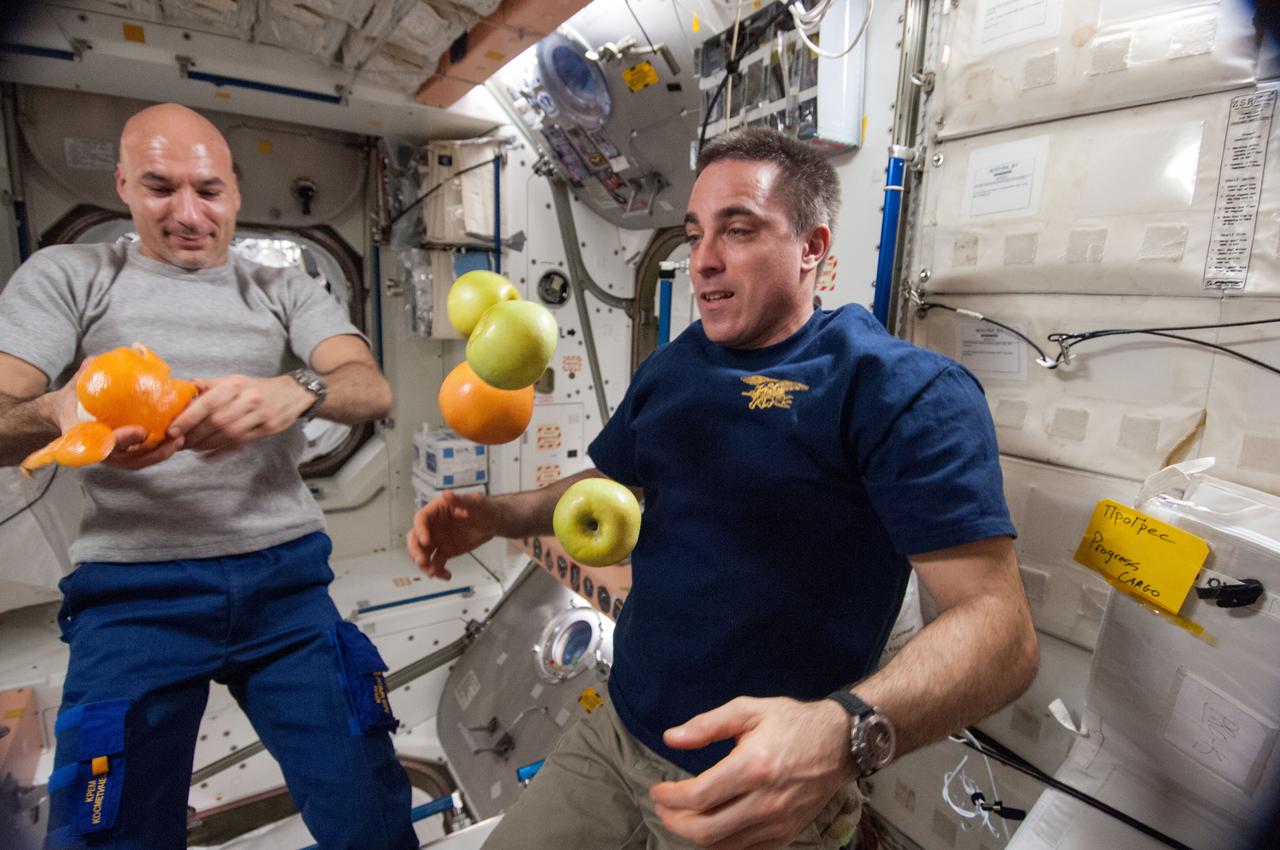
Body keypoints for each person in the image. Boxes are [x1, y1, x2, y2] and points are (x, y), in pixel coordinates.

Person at [408, 127, 1039, 850]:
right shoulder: (678, 368)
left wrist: (842, 734)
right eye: (694, 233)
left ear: (812, 247)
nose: (703, 260)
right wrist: (496, 515)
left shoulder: (897, 389)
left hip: (752, 787)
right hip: (616, 733)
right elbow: (612, 486)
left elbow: (1000, 631)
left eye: (738, 230)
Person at [0, 104, 416, 850]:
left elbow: (369, 387)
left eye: (209, 191)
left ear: (235, 193)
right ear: (124, 184)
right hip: (133, 599)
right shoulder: (72, 276)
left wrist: (298, 392)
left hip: (286, 589)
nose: (189, 214)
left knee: (372, 817)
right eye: (160, 188)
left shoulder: (279, 287)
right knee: (108, 832)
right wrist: (61, 410)